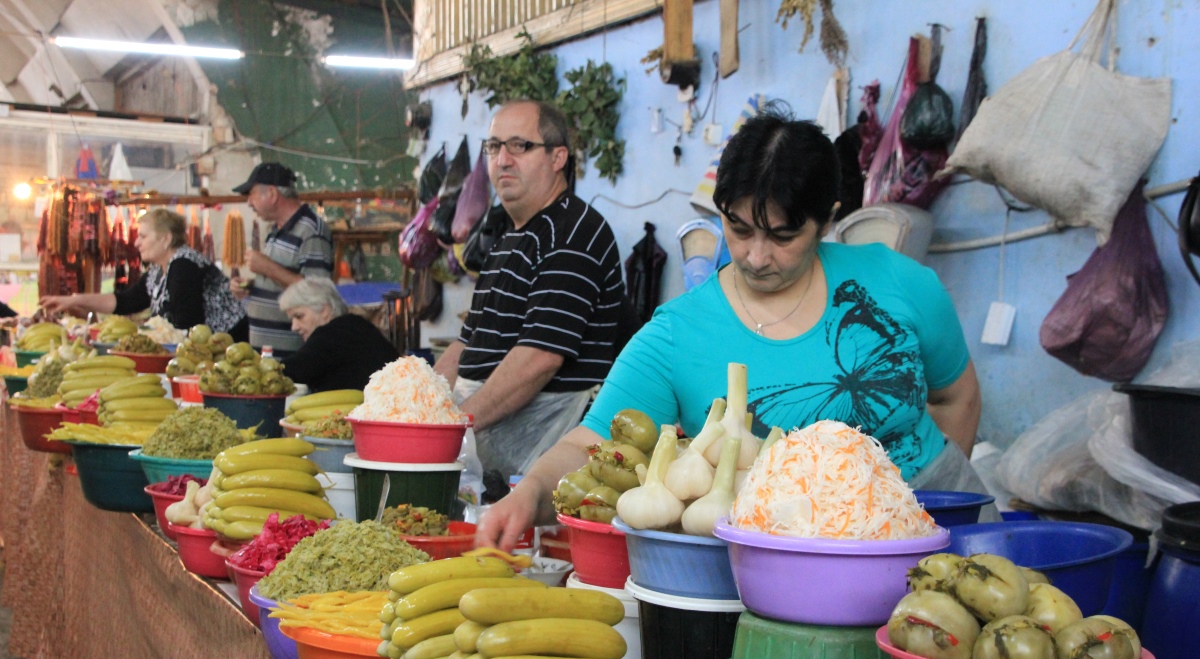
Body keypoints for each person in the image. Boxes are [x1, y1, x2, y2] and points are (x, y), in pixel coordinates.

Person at [477, 104, 986, 551]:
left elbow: (956, 397)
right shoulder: (678, 333)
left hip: (945, 533)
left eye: (783, 235)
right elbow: (587, 443)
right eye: (738, 229)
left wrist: (928, 503)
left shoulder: (899, 283)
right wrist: (529, 495)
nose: (756, 256)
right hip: (790, 567)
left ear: (826, 221)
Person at [433, 99, 625, 481]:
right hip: (489, 447)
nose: (502, 159)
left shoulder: (573, 232)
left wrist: (452, 425)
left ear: (558, 158)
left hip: (544, 456)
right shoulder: (509, 235)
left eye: (519, 146)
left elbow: (539, 357)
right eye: (493, 146)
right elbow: (466, 342)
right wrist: (416, 404)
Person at [39, 208, 248, 340]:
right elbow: (125, 302)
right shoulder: (158, 269)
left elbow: (186, 323)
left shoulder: (184, 265)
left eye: (143, 236)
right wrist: (73, 301)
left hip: (227, 347)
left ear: (166, 239)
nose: (136, 242)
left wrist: (144, 334)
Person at [232, 162, 334, 356]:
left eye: (251, 194)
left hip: (292, 354)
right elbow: (285, 279)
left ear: (271, 194)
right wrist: (252, 285)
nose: (249, 203)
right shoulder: (275, 230)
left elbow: (318, 290)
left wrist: (267, 268)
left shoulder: (311, 231)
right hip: (268, 353)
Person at [278, 277, 399, 393]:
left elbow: (290, 371)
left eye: (299, 316)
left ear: (324, 310)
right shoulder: (353, 326)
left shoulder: (334, 333)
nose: (294, 327)